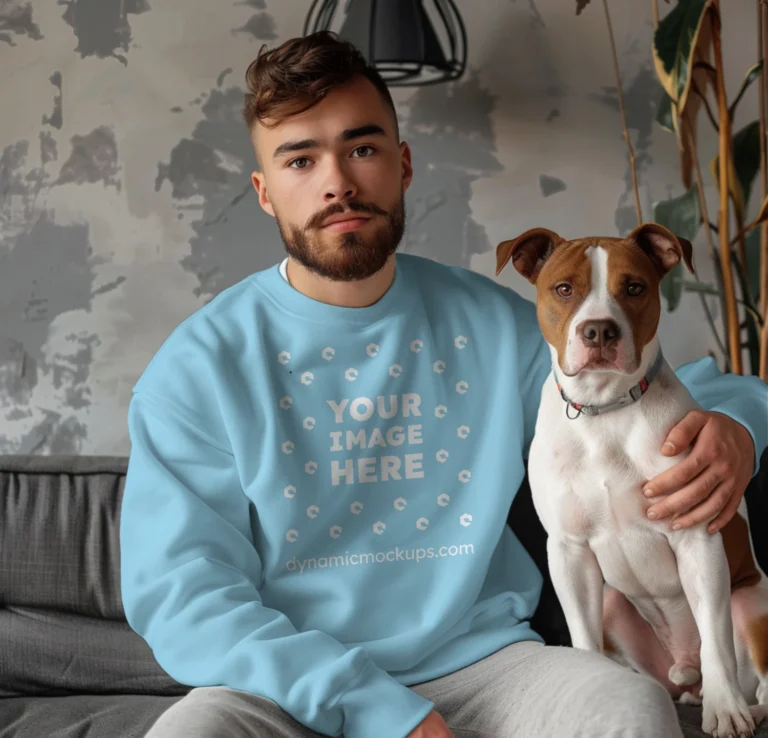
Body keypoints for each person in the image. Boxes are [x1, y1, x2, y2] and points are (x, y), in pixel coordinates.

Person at [120, 31, 768, 738]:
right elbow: (184, 596)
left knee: (629, 710)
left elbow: (649, 388)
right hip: (284, 687)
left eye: (362, 148)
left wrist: (736, 431)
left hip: (489, 669)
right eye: (300, 158)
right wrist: (372, 708)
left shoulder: (492, 325)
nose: (337, 181)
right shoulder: (198, 368)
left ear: (402, 165)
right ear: (265, 193)